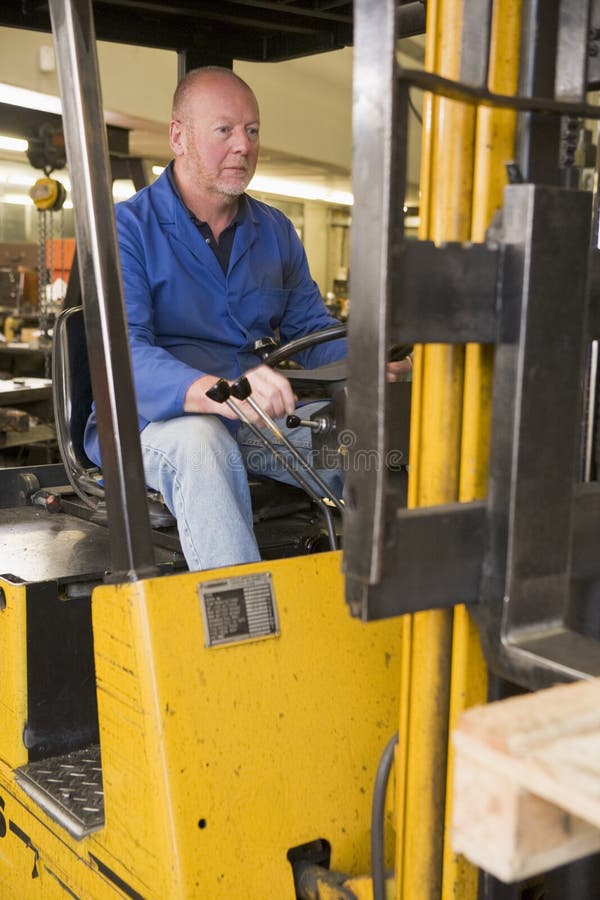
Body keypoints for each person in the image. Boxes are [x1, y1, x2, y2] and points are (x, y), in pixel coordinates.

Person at [82, 66, 343, 570]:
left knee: (368, 445)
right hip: (153, 425)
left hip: (254, 422)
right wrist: (218, 391)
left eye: (252, 131)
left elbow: (312, 332)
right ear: (179, 137)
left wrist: (380, 360)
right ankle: (244, 636)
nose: (243, 146)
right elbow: (123, 355)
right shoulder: (125, 230)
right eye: (224, 130)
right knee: (203, 445)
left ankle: (390, 612)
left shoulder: (275, 231)